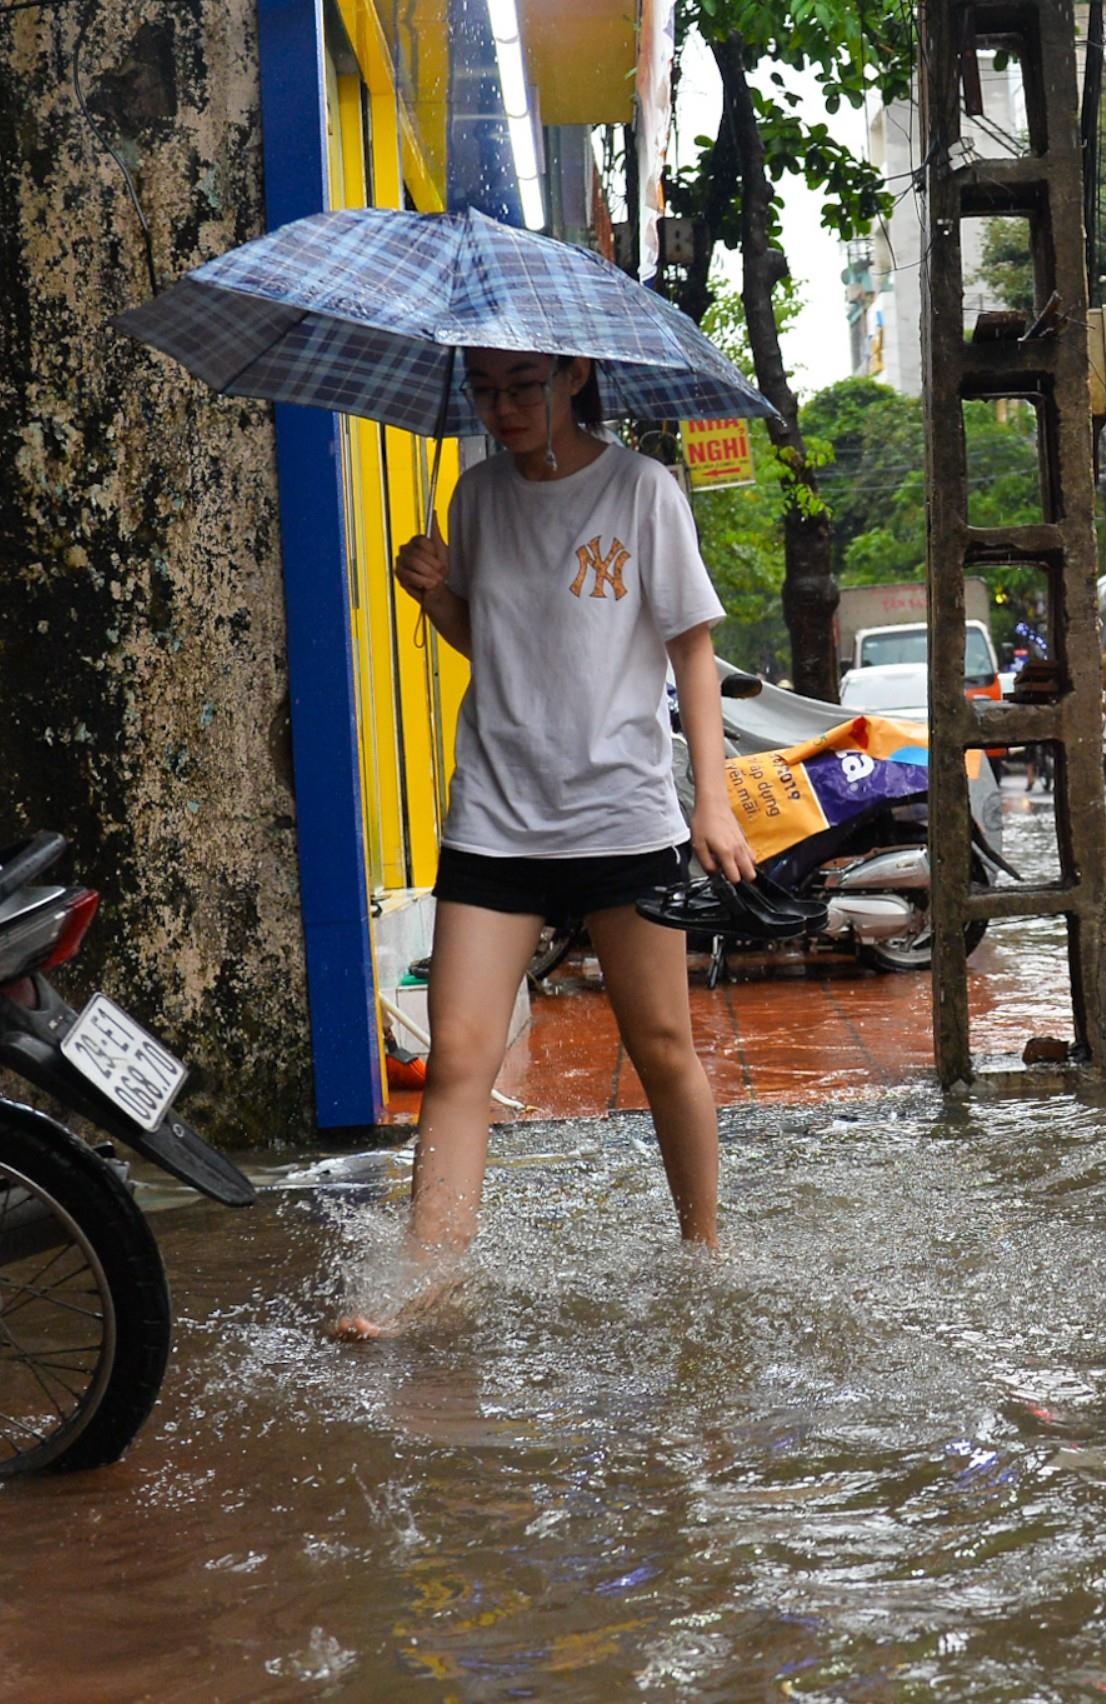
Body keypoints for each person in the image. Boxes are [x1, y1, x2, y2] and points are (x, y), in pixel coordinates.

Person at [333, 347, 755, 1339]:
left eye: (522, 386)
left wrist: (714, 799)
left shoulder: (642, 490)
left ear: (571, 377)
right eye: (482, 389)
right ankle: (428, 1276)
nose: (501, 407)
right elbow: (495, 644)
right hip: (496, 811)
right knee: (458, 1056)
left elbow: (691, 649)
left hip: (621, 810)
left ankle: (705, 1249)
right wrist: (435, 596)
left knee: (662, 1048)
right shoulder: (477, 498)